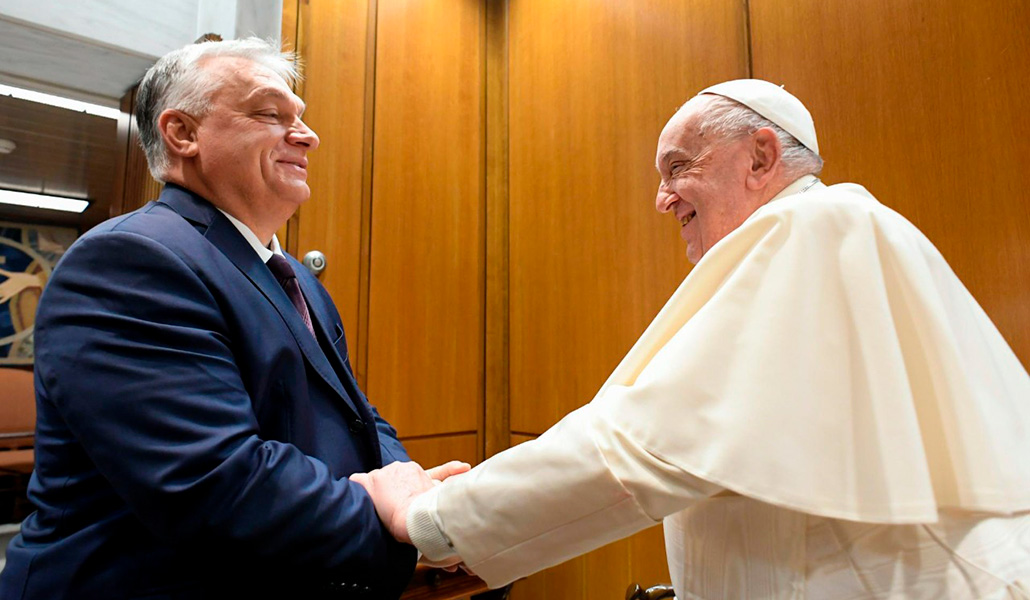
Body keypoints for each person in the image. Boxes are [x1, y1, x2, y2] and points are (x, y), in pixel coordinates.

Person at [352, 80, 1030, 598]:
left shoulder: (807, 231)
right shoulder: (848, 225)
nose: (663, 198)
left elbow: (641, 445)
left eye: (679, 166)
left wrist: (428, 520)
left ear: (761, 156)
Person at [0, 38, 466, 600]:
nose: (307, 135)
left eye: (302, 118)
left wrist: (414, 496)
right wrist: (398, 526)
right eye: (271, 114)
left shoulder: (296, 277)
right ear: (183, 133)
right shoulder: (128, 260)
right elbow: (208, 479)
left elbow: (361, 422)